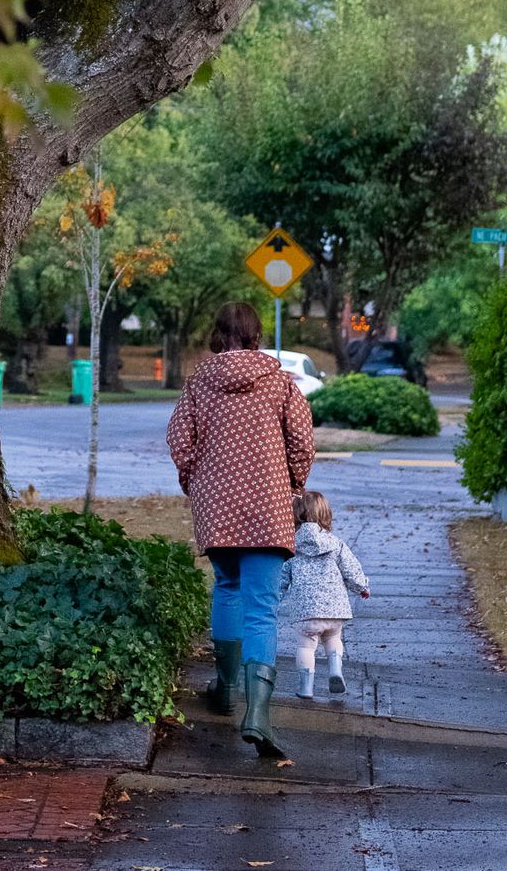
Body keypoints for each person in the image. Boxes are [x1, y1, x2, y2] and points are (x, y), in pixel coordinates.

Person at [165, 300, 315, 764]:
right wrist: (290, 484)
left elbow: (179, 440)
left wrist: (197, 482)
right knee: (262, 611)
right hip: (268, 507)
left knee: (227, 587)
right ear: (255, 334)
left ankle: (226, 688)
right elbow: (303, 443)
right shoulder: (281, 383)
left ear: (218, 334)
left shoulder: (198, 384)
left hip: (218, 508)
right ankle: (260, 715)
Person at [280, 489, 370, 700]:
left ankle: (306, 687)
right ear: (325, 516)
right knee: (333, 638)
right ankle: (335, 670)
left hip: (306, 612)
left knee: (306, 646)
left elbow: (281, 578)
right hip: (335, 608)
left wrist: (273, 599)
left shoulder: (291, 547)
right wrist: (362, 587)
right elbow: (352, 570)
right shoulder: (336, 544)